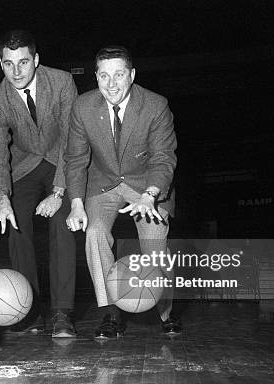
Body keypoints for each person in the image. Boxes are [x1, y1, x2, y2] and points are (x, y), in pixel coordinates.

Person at [65, 45, 180, 339]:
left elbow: (163, 157)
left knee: (155, 247)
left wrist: (150, 194)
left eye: (118, 75)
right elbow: (76, 160)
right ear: (96, 77)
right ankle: (110, 314)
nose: (111, 84)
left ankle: (166, 312)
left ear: (131, 75)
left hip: (146, 186)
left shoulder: (155, 105)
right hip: (103, 183)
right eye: (104, 76)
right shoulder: (82, 107)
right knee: (94, 234)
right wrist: (76, 204)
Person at [0, 30, 78, 338]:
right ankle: (28, 309)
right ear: (1, 64)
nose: (17, 72)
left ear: (35, 60)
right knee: (15, 223)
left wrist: (59, 191)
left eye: (23, 62)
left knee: (63, 221)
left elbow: (71, 141)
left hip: (58, 161)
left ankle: (63, 312)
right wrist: (1, 198)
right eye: (9, 64)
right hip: (22, 167)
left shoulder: (62, 82)